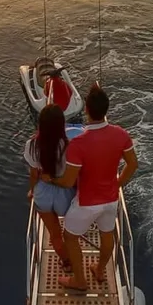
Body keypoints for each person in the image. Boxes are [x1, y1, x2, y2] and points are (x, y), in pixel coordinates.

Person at [46, 83, 138, 290]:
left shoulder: (78, 144)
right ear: (106, 109)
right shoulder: (121, 134)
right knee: (107, 234)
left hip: (87, 202)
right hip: (111, 200)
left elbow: (68, 181)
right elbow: (133, 164)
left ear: (86, 109)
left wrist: (51, 179)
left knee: (70, 237)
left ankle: (79, 281)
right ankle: (99, 269)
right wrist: (117, 184)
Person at [24, 104, 77, 270]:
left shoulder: (32, 145)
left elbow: (34, 174)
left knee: (55, 234)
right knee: (71, 232)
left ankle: (66, 262)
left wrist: (32, 190)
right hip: (65, 193)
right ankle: (75, 257)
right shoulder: (68, 146)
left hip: (43, 193)